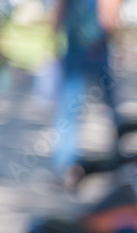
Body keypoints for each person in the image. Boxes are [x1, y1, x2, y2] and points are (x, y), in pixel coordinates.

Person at [50, 0, 121, 185]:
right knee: (109, 103)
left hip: (75, 44)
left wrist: (55, 33)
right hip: (95, 45)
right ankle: (120, 153)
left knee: (69, 107)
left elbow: (59, 9)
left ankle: (64, 164)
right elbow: (109, 12)